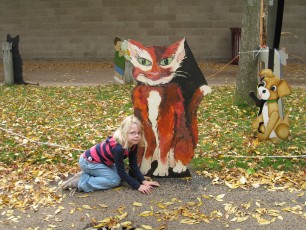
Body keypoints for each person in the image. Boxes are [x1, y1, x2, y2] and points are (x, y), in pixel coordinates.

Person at [60, 115, 160, 195]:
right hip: (89, 162)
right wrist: (138, 186)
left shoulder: (133, 144)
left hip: (101, 163)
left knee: (121, 177)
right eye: (132, 133)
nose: (137, 135)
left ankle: (87, 174)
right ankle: (81, 183)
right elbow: (121, 172)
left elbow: (133, 164)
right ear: (124, 133)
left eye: (139, 132)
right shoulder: (118, 148)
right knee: (115, 180)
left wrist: (143, 181)